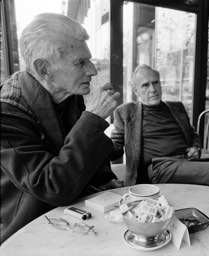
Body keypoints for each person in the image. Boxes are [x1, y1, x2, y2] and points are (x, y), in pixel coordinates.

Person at [0, 13, 123, 243]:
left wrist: (107, 182)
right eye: (80, 62)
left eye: (89, 59)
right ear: (43, 69)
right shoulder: (7, 114)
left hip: (79, 215)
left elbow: (87, 157)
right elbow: (51, 187)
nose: (93, 71)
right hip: (30, 232)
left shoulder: (68, 93)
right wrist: (93, 119)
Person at [110, 64, 209, 189]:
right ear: (136, 91)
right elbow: (114, 150)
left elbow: (192, 135)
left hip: (186, 161)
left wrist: (195, 147)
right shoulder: (126, 112)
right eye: (145, 85)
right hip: (160, 166)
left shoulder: (176, 107)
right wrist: (95, 123)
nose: (153, 89)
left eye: (156, 82)